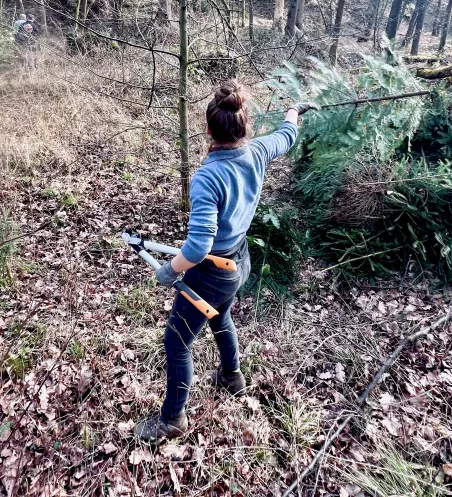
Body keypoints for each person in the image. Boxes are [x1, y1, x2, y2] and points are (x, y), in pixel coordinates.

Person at [134, 79, 319, 443]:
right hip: (238, 263)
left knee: (177, 344)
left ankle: (172, 419)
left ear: (207, 129)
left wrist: (168, 271)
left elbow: (198, 247)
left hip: (211, 273)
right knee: (222, 315)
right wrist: (294, 112)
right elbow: (287, 136)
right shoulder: (258, 151)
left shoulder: (208, 176)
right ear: (245, 126)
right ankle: (232, 377)